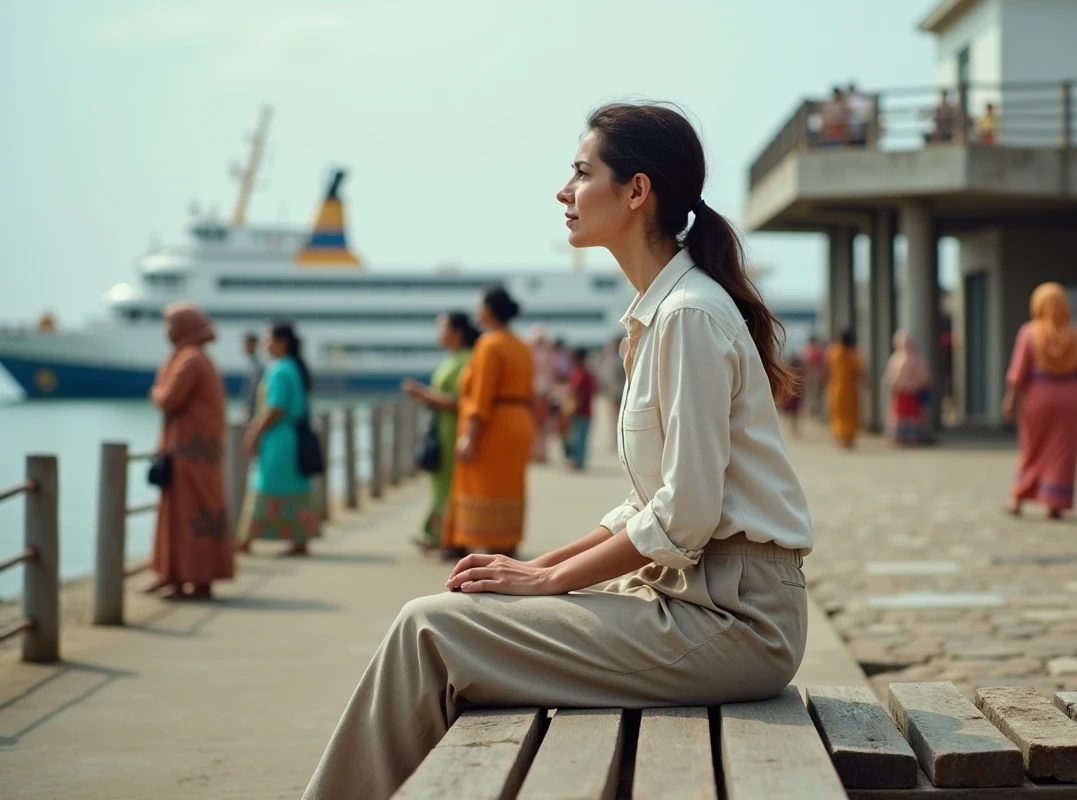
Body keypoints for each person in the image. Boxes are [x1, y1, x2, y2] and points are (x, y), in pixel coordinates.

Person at [302, 102, 813, 800]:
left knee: (430, 630)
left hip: (735, 622)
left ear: (637, 192)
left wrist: (548, 584)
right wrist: (537, 566)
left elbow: (683, 515)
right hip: (698, 601)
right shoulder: (661, 313)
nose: (562, 190)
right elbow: (647, 502)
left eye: (580, 172)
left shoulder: (687, 316)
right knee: (457, 618)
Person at [141, 302, 233, 600]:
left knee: (184, 514)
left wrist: (155, 391)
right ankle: (180, 575)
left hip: (190, 454)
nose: (166, 332)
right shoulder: (196, 358)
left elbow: (168, 398)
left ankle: (187, 577)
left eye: (171, 325)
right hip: (197, 453)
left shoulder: (189, 360)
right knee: (187, 513)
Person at [440, 286, 535, 561]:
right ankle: (507, 540)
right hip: (518, 421)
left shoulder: (489, 344)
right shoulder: (521, 344)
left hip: (493, 425)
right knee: (510, 485)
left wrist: (470, 434)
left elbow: (481, 395)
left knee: (484, 485)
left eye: (479, 306)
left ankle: (488, 543)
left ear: (489, 311)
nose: (476, 312)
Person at [1002, 283, 1077, 520]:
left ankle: (1018, 496)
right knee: (1063, 450)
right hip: (1071, 398)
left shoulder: (1029, 333)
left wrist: (1011, 400)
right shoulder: (1076, 334)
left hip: (1038, 396)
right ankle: (1054, 501)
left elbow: (1017, 373)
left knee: (1032, 447)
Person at [240, 322, 321, 554]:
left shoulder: (279, 369)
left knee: (264, 487)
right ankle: (299, 539)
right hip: (291, 436)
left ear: (281, 342)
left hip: (278, 438)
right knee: (294, 488)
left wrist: (254, 432)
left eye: (268, 339)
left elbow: (275, 407)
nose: (264, 345)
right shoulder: (293, 366)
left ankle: (246, 540)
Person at [403, 312, 480, 551]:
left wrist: (423, 395)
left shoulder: (466, 360)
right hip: (443, 427)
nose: (439, 334)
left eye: (443, 329)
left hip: (454, 428)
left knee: (450, 483)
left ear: (457, 332)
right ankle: (439, 534)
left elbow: (461, 401)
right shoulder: (454, 358)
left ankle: (449, 535)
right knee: (441, 483)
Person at [883, 331, 931, 446]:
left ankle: (911, 437)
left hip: (912, 391)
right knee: (900, 415)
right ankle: (899, 436)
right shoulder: (897, 357)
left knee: (912, 415)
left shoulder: (915, 358)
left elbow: (923, 375)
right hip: (901, 391)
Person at [825, 329, 864, 449]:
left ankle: (842, 438)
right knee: (850, 413)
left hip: (837, 388)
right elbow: (859, 373)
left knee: (839, 413)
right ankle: (848, 439)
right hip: (850, 389)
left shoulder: (833, 352)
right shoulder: (853, 354)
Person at [563, 347, 597, 469]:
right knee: (581, 437)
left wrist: (571, 411)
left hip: (580, 412)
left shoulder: (580, 375)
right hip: (586, 411)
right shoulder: (586, 374)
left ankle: (577, 461)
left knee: (577, 438)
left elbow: (577, 395)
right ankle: (579, 460)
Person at [527, 324, 556, 463]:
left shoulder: (548, 356)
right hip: (533, 396)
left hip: (543, 395)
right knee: (533, 426)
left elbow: (551, 377)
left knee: (543, 426)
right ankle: (534, 452)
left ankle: (542, 452)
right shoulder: (529, 355)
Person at [777, 350, 804, 438]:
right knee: (794, 415)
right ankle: (794, 429)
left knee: (790, 414)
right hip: (795, 397)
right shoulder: (798, 375)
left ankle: (792, 429)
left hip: (791, 397)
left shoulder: (787, 373)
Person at [802, 336, 826, 419]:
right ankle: (815, 411)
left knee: (813, 394)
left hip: (812, 375)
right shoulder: (817, 351)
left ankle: (814, 411)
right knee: (815, 394)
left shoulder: (809, 351)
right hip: (816, 375)